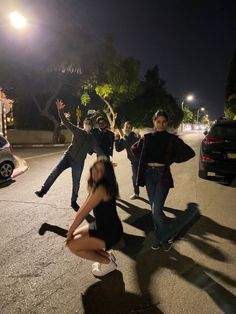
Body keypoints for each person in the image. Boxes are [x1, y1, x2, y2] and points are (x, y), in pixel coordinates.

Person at [131, 110, 195, 251]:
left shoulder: (172, 139)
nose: (160, 124)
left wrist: (171, 159)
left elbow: (190, 153)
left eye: (163, 121)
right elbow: (134, 148)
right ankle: (162, 237)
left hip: (162, 175)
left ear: (167, 123)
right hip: (148, 175)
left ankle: (167, 233)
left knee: (156, 210)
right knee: (155, 209)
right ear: (154, 122)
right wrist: (145, 159)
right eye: (158, 121)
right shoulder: (147, 138)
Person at [35, 99, 104, 211]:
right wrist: (60, 111)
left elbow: (98, 150)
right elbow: (66, 122)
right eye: (85, 124)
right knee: (54, 173)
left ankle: (73, 201)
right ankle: (43, 191)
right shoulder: (77, 131)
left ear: (92, 126)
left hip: (79, 162)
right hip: (68, 157)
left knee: (76, 183)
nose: (87, 125)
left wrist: (106, 160)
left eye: (89, 124)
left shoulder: (91, 139)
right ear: (83, 124)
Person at [66, 156, 123, 277]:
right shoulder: (97, 185)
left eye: (101, 171)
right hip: (102, 225)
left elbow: (83, 213)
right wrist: (71, 231)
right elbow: (83, 207)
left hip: (110, 232)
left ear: (105, 174)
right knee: (75, 237)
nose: (96, 173)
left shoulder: (101, 188)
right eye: (95, 169)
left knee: (72, 245)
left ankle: (108, 263)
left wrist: (69, 231)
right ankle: (107, 256)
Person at [114, 121, 140, 200]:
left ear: (131, 129)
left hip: (140, 160)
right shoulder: (124, 139)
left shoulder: (135, 136)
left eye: (129, 128)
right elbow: (118, 149)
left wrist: (138, 135)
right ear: (123, 128)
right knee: (135, 177)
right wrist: (116, 140)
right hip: (133, 161)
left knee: (144, 177)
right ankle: (136, 193)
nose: (127, 129)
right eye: (126, 127)